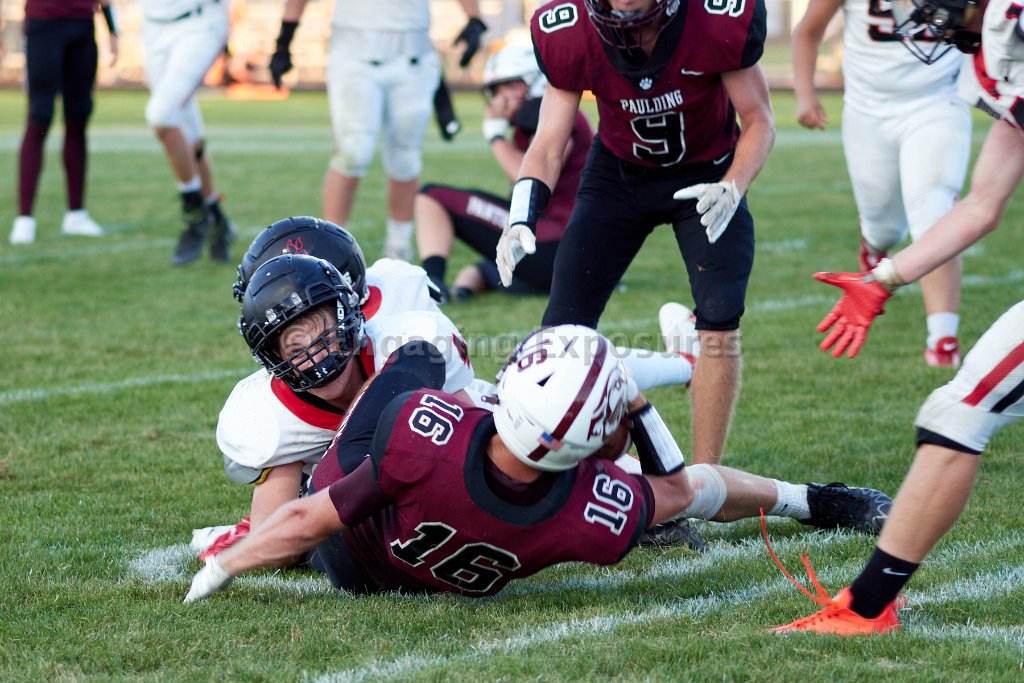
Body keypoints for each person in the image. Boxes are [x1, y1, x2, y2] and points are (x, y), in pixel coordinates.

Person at [185, 324, 893, 602]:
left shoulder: (427, 431)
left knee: (421, 348)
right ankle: (817, 500)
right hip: (420, 567)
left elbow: (311, 517)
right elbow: (685, 485)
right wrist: (636, 405)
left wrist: (227, 562)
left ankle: (295, 461)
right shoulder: (594, 517)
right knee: (695, 494)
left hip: (347, 549)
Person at [194, 217, 700, 558]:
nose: (308, 345)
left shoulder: (405, 327)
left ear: (345, 297)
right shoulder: (266, 411)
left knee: (598, 450)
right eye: (285, 331)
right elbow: (277, 534)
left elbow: (456, 437)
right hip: (381, 480)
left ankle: (683, 363)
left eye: (314, 313)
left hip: (459, 425)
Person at [773, 0, 1024, 634]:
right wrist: (882, 279)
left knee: (960, 411)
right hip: (874, 114)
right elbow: (981, 204)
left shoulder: (1008, 27)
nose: (926, 12)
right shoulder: (992, 50)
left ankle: (866, 608)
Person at [494, 0, 775, 466]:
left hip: (707, 176)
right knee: (561, 332)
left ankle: (706, 478)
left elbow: (760, 119)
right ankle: (568, 471)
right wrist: (521, 215)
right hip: (618, 177)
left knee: (720, 318)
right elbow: (547, 143)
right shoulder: (569, 29)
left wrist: (732, 185)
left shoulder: (716, 18)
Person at [791, 0, 970, 367]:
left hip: (939, 99)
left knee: (935, 217)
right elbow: (808, 30)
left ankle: (942, 342)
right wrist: (804, 94)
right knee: (883, 228)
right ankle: (874, 245)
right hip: (868, 111)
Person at [267, 0, 488, 261]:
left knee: (405, 155)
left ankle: (399, 245)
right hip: (353, 51)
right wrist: (285, 39)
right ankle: (331, 242)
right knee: (353, 152)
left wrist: (474, 18)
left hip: (413, 52)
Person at [415, 43, 593, 303]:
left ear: (534, 82)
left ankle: (433, 287)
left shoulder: (560, 120)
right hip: (567, 247)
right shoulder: (535, 123)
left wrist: (496, 134)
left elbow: (528, 180)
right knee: (486, 268)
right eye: (498, 90)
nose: (500, 98)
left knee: (432, 197)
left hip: (558, 240)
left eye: (508, 87)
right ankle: (459, 293)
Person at [7, 0, 118, 245]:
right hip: (44, 23)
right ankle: (25, 218)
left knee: (78, 119)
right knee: (40, 118)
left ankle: (76, 214)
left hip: (82, 24)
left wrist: (112, 28)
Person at [139, 0, 237, 266]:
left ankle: (195, 212)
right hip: (153, 25)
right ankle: (216, 217)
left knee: (162, 115)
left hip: (199, 21)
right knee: (183, 124)